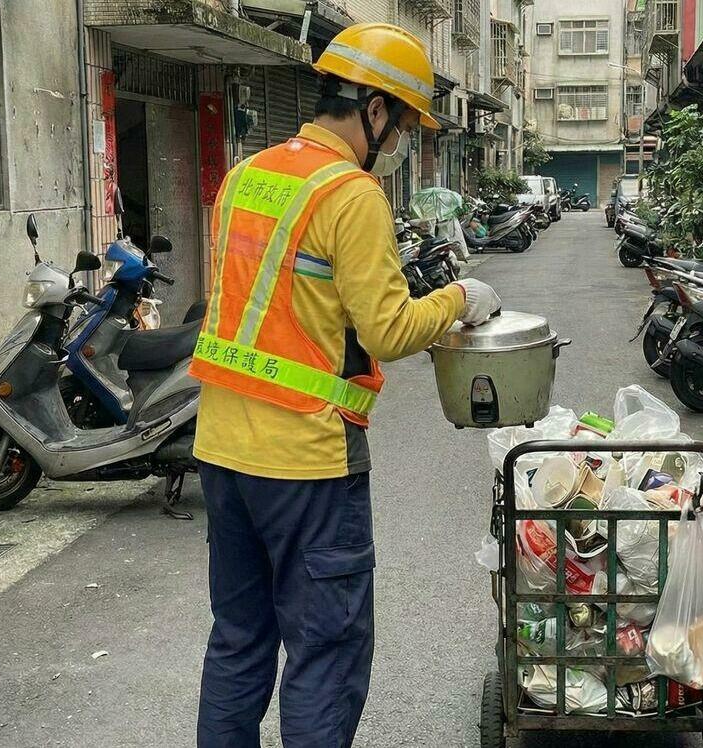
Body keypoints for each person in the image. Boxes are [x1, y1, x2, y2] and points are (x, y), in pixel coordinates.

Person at [188, 23, 500, 748]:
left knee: (238, 639)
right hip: (307, 458)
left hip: (223, 449)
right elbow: (390, 329)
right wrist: (461, 298)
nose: (395, 148)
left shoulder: (246, 174)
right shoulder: (350, 194)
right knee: (325, 652)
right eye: (399, 129)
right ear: (375, 108)